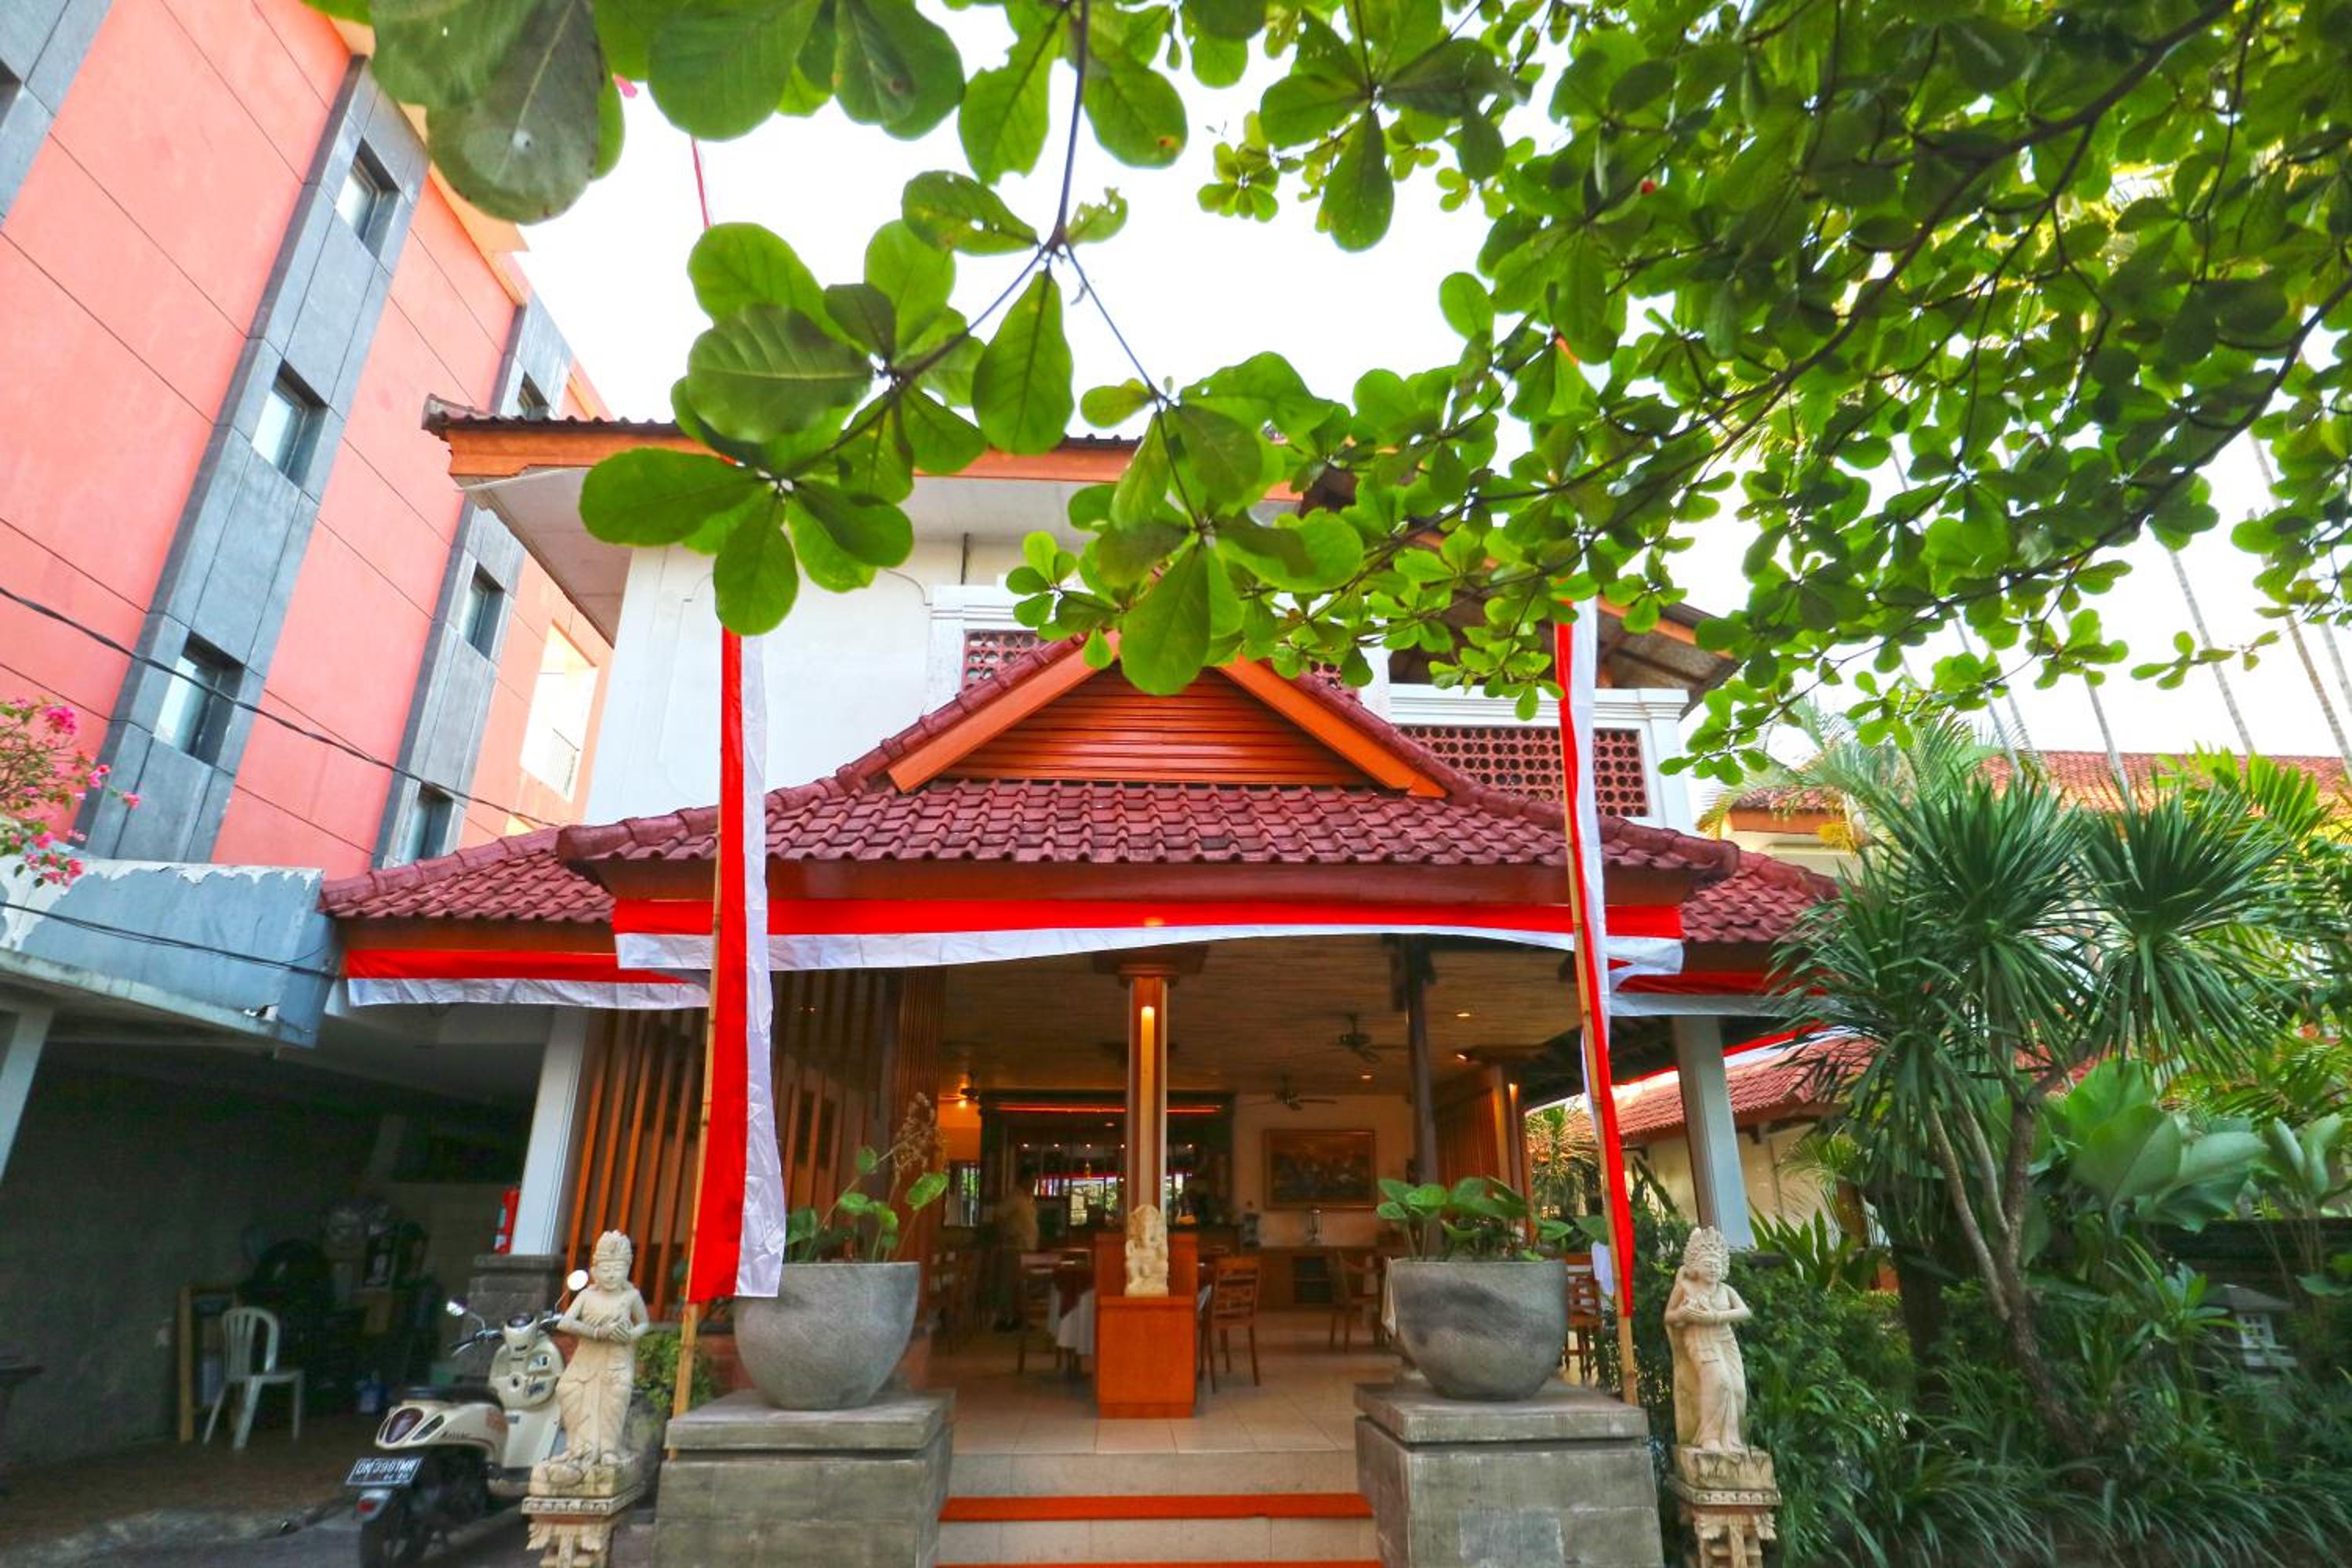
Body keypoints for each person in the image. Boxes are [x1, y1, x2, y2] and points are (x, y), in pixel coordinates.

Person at [551, 1231, 648, 1472]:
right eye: (606, 1269)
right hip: (587, 1356)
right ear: (595, 1270)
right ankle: (578, 1447)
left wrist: (630, 1335)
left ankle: (608, 1450)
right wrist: (596, 1332)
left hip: (617, 1357)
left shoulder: (631, 1296)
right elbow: (565, 1323)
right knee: (568, 1390)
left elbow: (644, 1324)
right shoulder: (586, 1295)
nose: (612, 1275)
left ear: (627, 1269)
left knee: (615, 1398)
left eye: (618, 1269)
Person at [1664, 1226, 1751, 1453]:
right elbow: (1669, 1316)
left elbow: (1745, 1312)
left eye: (1716, 1264)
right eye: (1707, 1264)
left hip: (1725, 1339)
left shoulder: (1726, 1290)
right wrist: (1683, 1314)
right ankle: (1709, 1436)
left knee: (1737, 1388)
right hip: (1700, 1340)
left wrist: (1716, 1317)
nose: (1713, 1268)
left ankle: (1733, 1438)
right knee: (1718, 1382)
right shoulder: (1685, 1287)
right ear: (1695, 1265)